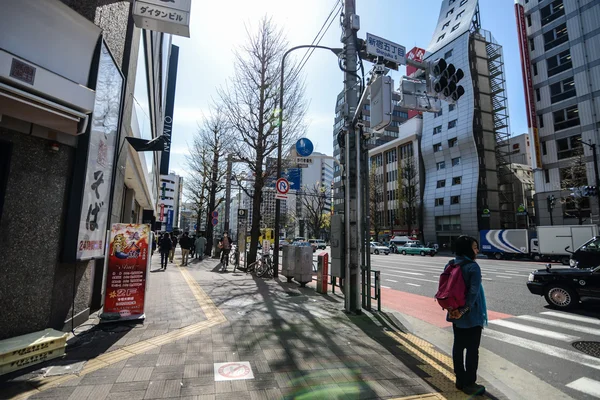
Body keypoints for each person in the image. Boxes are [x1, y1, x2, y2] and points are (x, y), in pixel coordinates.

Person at [446, 235, 487, 396]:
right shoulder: (473, 267)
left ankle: (460, 380)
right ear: (468, 249)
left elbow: (446, 290)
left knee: (458, 346)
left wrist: (454, 311)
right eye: (475, 247)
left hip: (454, 312)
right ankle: (470, 382)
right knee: (472, 349)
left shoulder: (450, 264)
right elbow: (473, 293)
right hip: (471, 315)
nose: (477, 250)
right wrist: (464, 311)